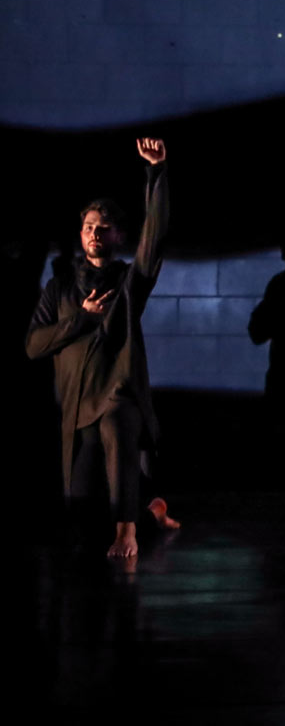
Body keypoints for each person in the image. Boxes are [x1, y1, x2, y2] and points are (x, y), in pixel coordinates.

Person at [26, 138, 177, 560]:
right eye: (90, 227)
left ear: (118, 236)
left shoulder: (128, 283)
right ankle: (153, 514)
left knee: (118, 426)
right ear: (81, 234)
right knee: (81, 524)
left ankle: (129, 532)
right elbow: (34, 346)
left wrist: (157, 173)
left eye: (105, 228)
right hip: (77, 408)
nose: (96, 233)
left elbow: (155, 239)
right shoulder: (59, 289)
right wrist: (83, 318)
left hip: (116, 396)